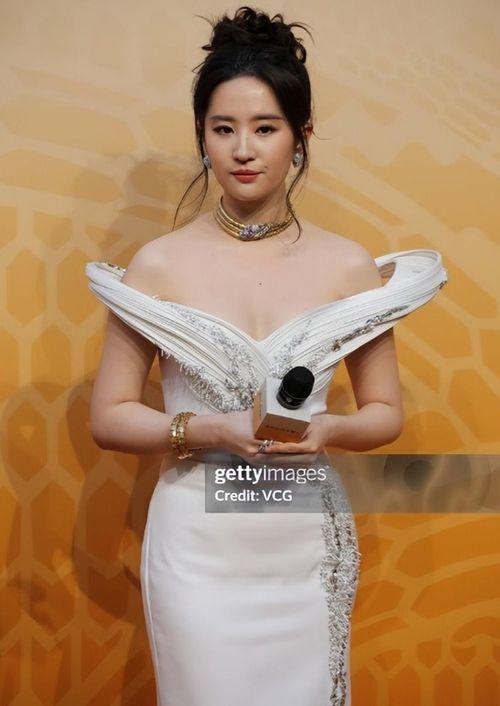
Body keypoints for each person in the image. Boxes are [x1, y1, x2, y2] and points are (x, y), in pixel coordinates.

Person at [85, 6, 448, 706]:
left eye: (265, 128)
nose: (243, 150)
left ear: (301, 136)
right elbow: (110, 417)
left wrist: (329, 429)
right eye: (223, 129)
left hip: (304, 546)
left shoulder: (348, 267)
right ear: (202, 137)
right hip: (197, 549)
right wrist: (205, 430)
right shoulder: (156, 266)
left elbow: (384, 412)